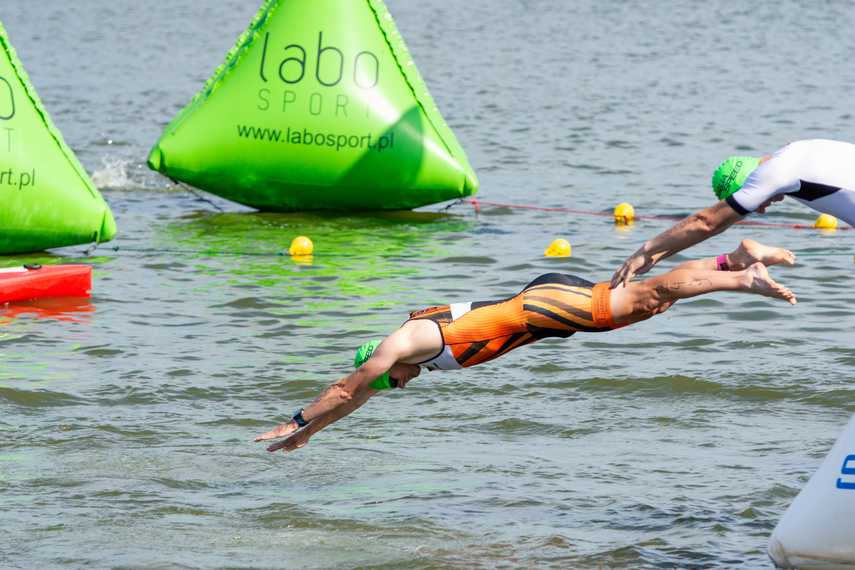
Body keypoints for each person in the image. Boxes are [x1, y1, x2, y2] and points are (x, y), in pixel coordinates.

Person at [255, 240, 796, 454]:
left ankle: (742, 278)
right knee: (648, 305)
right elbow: (356, 399)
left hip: (537, 308)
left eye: (389, 383)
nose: (397, 387)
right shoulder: (406, 350)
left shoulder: (401, 345)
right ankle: (732, 259)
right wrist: (312, 436)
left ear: (384, 366)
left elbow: (348, 389)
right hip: (539, 304)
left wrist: (296, 420)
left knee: (638, 300)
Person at [611, 139, 855, 288]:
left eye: (752, 201)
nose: (759, 209)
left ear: (748, 183)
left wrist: (644, 252)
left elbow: (708, 223)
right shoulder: (795, 149)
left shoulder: (773, 173)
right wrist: (656, 256)